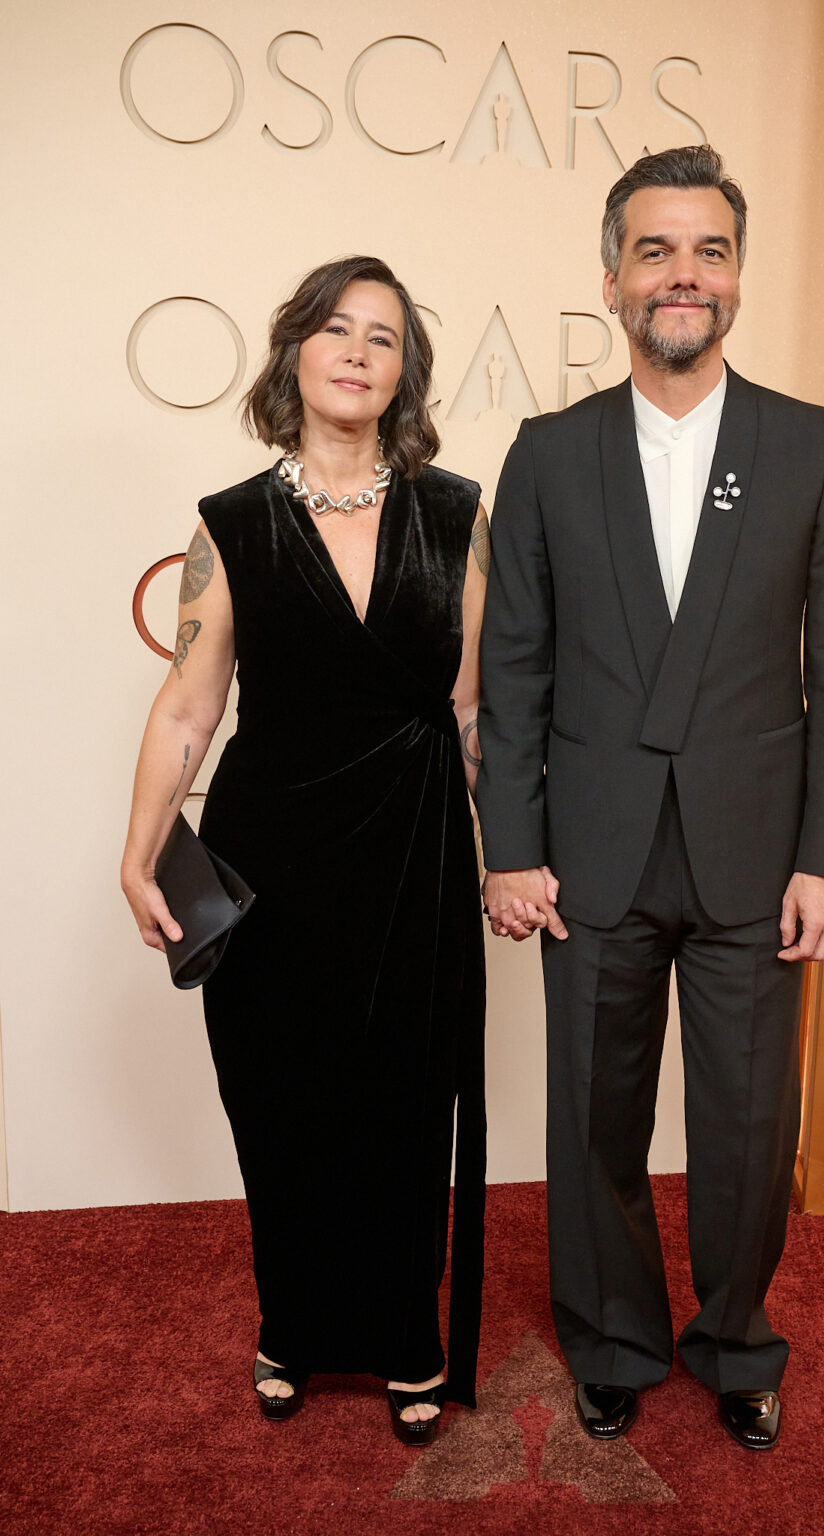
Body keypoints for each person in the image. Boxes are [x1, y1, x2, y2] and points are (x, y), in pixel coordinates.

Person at [477, 146, 824, 1451]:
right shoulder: (545, 456)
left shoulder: (814, 451)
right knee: (594, 1113)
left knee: (751, 1126)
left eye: (708, 249)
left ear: (739, 278)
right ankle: (610, 1338)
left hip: (759, 855)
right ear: (612, 279)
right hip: (589, 853)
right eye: (656, 250)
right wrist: (511, 846)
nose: (683, 274)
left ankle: (736, 1340)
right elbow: (516, 668)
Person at [121, 256, 488, 1443]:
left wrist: (516, 852)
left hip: (414, 854)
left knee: (400, 1104)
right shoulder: (229, 524)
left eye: (383, 338)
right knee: (278, 1103)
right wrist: (137, 853)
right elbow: (188, 708)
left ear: (403, 375)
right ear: (294, 352)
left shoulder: (454, 513)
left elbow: (477, 709)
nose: (356, 350)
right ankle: (291, 1324)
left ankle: (404, 1338)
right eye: (336, 328)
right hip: (269, 859)